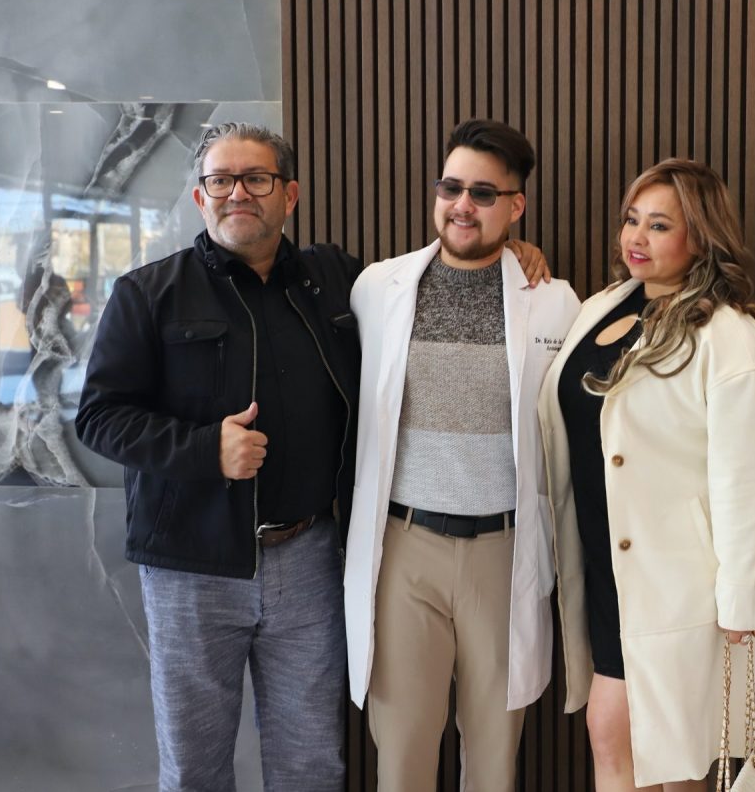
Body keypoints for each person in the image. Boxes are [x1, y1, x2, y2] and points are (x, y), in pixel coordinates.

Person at [74, 121, 548, 791]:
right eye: (220, 180)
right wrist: (203, 448)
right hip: (191, 566)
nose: (238, 193)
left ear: (289, 194)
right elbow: (98, 417)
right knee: (194, 767)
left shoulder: (337, 281)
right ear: (200, 197)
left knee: (310, 764)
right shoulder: (148, 293)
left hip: (309, 559)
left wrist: (510, 252)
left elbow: (451, 258)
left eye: (256, 178)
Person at [343, 118, 580, 791]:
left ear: (516, 205)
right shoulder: (377, 288)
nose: (462, 205)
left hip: (503, 552)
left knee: (494, 760)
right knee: (402, 757)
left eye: (483, 193)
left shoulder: (554, 302)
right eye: (451, 187)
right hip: (403, 547)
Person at [537, 158, 755, 790]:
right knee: (614, 736)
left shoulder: (730, 336)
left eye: (659, 225)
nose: (636, 237)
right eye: (631, 220)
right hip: (606, 570)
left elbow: (743, 482)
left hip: (679, 586)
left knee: (667, 759)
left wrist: (740, 604)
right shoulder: (602, 306)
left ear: (701, 238)